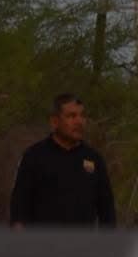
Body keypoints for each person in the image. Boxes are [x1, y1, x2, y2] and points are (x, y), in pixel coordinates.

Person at [10, 94, 116, 228]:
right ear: (54, 122)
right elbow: (19, 207)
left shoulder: (94, 160)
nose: (79, 121)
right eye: (71, 116)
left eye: (82, 116)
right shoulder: (34, 156)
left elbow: (107, 212)